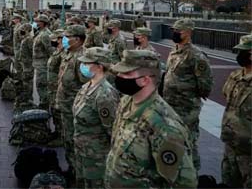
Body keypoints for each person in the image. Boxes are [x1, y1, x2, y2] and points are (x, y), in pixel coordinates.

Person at [105, 50, 197, 188]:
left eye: (126, 73)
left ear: (145, 80)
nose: (119, 77)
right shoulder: (127, 102)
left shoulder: (163, 125)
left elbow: (184, 183)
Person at [163, 19, 213, 172]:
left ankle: (192, 173)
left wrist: (188, 94)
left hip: (186, 107)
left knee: (188, 141)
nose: (175, 33)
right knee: (174, 140)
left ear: (189, 32)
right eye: (174, 30)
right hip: (171, 105)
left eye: (179, 31)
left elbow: (205, 84)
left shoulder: (196, 55)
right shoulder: (175, 50)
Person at [73, 47, 119, 188]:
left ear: (99, 67)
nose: (83, 66)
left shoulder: (105, 94)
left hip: (96, 157)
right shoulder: (87, 86)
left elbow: (112, 130)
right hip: (83, 152)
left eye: (87, 63)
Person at [55, 25, 88, 178]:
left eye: (68, 37)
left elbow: (86, 86)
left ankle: (77, 174)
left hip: (74, 106)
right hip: (65, 104)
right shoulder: (68, 53)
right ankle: (71, 169)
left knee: (73, 140)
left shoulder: (82, 58)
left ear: (78, 39)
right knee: (67, 139)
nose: (65, 39)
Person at [220, 34, 251, 188]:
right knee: (228, 183)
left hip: (249, 149)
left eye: (245, 52)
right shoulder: (236, 76)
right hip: (231, 143)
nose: (240, 55)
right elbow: (226, 94)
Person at [32, 14, 54, 110]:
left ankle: (44, 105)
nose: (36, 23)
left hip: (43, 64)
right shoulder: (41, 32)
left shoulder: (45, 34)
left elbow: (50, 50)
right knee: (40, 85)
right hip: (39, 63)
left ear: (43, 23)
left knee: (41, 85)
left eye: (38, 22)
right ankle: (43, 103)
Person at [47, 29, 64, 142]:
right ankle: (57, 132)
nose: (52, 41)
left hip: (58, 87)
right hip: (52, 87)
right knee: (53, 110)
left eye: (55, 39)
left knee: (58, 112)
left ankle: (60, 136)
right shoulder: (57, 51)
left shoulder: (64, 53)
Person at [15, 23, 35, 113]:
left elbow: (32, 52)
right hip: (24, 63)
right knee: (25, 81)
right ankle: (27, 97)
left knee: (28, 82)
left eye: (23, 29)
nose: (21, 31)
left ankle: (29, 99)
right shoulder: (25, 38)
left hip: (28, 64)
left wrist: (30, 62)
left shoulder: (29, 39)